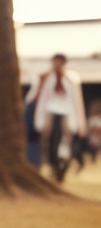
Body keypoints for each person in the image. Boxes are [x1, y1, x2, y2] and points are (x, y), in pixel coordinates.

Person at [30, 53, 86, 183]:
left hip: (66, 113)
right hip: (50, 112)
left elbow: (77, 102)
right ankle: (53, 167)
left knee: (66, 142)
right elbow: (39, 97)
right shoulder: (46, 78)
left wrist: (81, 124)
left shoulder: (71, 79)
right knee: (50, 142)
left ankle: (62, 169)